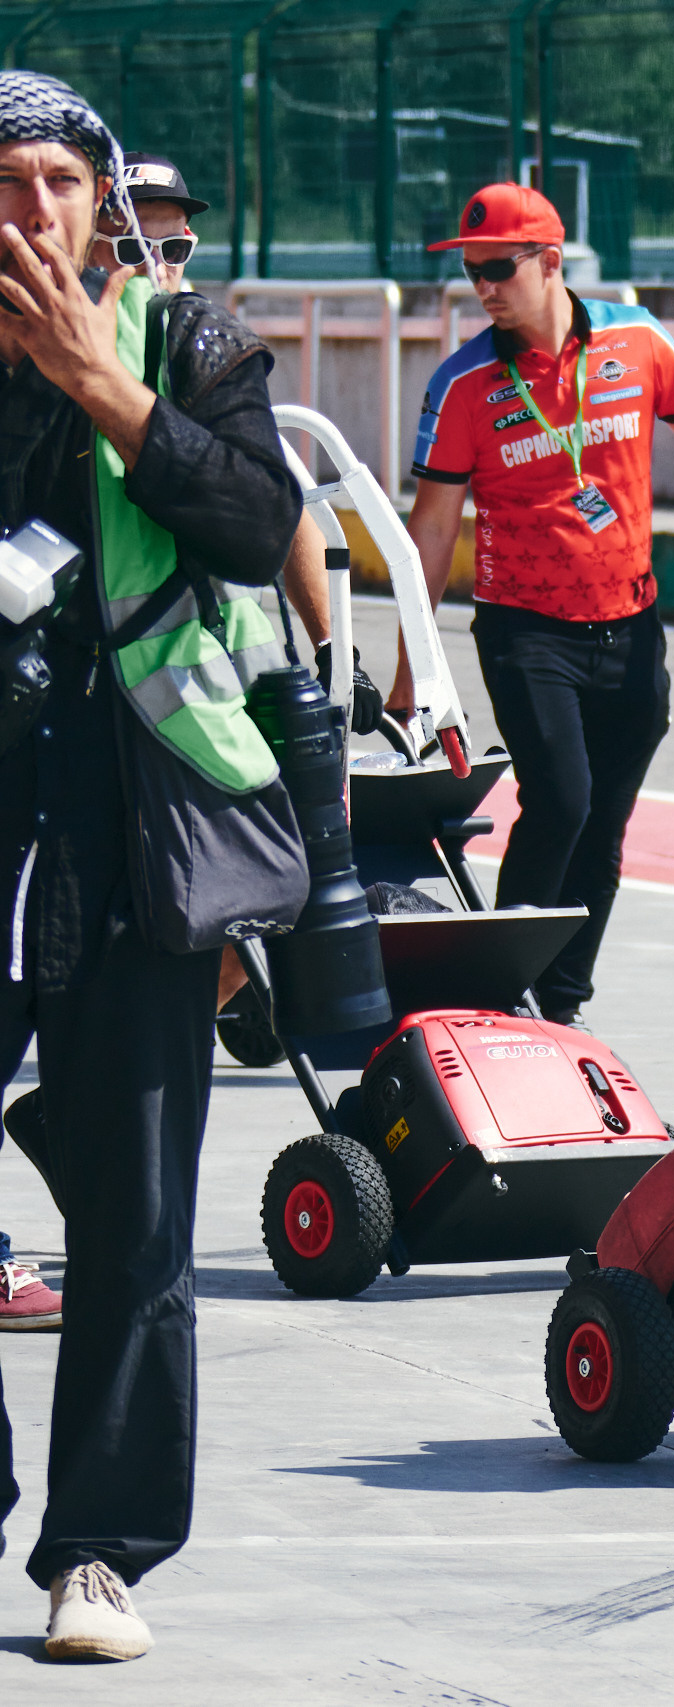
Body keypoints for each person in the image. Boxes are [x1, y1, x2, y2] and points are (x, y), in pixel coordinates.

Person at [0, 74, 303, 1659]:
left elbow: (259, 521)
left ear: (104, 199)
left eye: (57, 177)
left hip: (130, 835)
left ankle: (99, 1553)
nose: (28, 207)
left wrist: (99, 387)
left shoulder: (190, 343)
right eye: (1, 180)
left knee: (134, 1222)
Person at [401, 183, 674, 1024]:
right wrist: (411, 668)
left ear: (550, 261)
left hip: (630, 627)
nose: (484, 287)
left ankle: (562, 1005)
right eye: (471, 272)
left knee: (603, 828)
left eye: (499, 267)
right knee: (561, 801)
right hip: (526, 630)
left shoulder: (636, 337)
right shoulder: (463, 383)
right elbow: (430, 529)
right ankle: (495, 1000)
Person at [87, 154, 383, 1029]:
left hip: (224, 685)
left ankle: (135, 1050)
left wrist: (334, 653)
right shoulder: (79, 362)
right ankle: (114, 1062)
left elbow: (285, 513)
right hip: (132, 689)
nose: (159, 258)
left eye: (175, 240)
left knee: (264, 893)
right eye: (137, 237)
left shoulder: (201, 352)